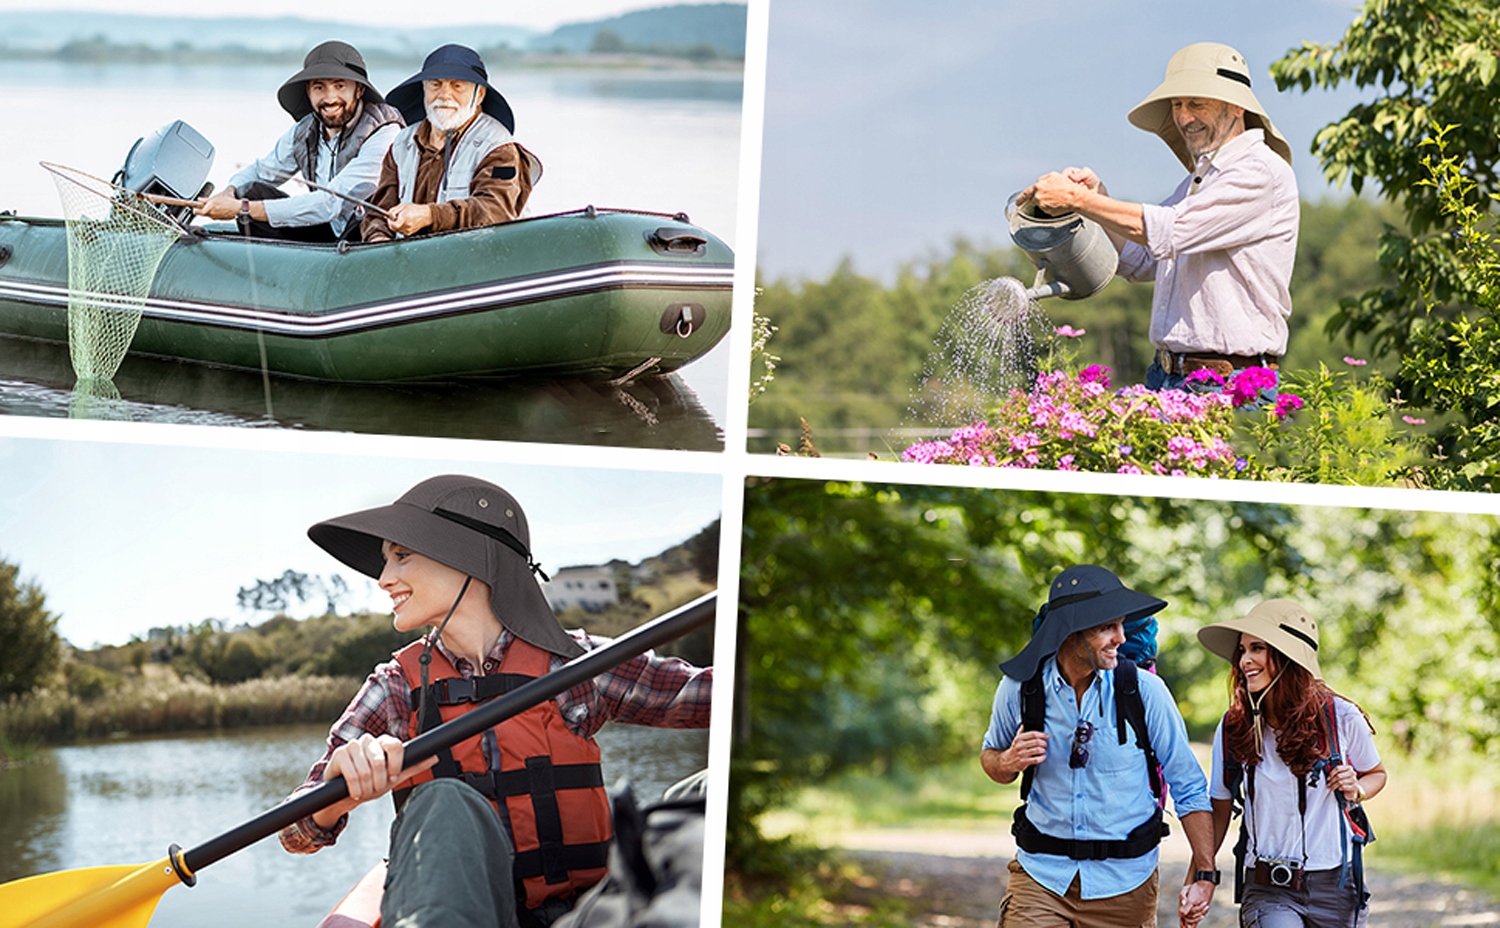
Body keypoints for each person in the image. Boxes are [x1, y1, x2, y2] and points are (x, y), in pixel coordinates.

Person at [277, 475, 712, 928]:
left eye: (401, 556)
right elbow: (295, 832)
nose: (384, 579)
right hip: (464, 916)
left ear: (467, 557)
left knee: (705, 789)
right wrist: (336, 789)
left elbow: (709, 697)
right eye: (385, 561)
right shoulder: (393, 688)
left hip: (587, 914)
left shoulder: (575, 666)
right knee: (443, 799)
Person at [1017, 42, 1300, 391]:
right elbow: (1141, 259)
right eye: (1177, 104)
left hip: (1231, 384)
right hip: (1168, 375)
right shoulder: (1198, 182)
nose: (1183, 117)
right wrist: (1097, 200)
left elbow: (1169, 231)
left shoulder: (1260, 172)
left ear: (1236, 105)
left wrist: (1078, 199)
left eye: (1196, 103)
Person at [981, 565, 1219, 927]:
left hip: (1125, 886)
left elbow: (1188, 784)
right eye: (1107, 626)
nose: (1121, 638)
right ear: (1070, 631)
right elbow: (990, 758)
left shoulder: (1145, 691)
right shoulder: (1020, 688)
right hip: (1042, 878)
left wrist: (1205, 875)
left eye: (1122, 625)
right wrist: (1009, 760)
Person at [1188, 600, 1386, 928]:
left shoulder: (1341, 717)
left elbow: (1376, 774)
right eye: (1242, 650)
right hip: (1267, 889)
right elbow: (1219, 808)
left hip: (1337, 889)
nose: (1244, 660)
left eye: (1257, 648)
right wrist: (1201, 878)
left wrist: (1358, 789)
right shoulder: (1234, 726)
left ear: (1288, 656)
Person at [194, 41, 403, 242]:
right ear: (309, 92)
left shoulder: (384, 133)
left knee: (250, 203)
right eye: (319, 87)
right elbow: (261, 171)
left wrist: (242, 208)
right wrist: (229, 192)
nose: (330, 98)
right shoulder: (304, 131)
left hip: (365, 231)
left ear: (359, 90)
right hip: (326, 230)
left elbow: (331, 203)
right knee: (249, 190)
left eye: (339, 86)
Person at [362, 44, 544, 243]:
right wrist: (377, 239)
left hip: (478, 264)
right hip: (413, 264)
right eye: (435, 84)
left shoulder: (499, 147)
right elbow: (378, 212)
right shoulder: (401, 144)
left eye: (457, 85)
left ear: (479, 94)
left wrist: (430, 215)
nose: (444, 95)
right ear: (424, 89)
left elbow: (495, 211)